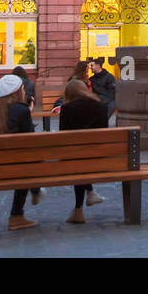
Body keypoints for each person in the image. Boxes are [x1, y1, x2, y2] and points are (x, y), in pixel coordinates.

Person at [0, 74, 42, 231]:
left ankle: (33, 193)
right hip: (15, 169)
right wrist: (28, 112)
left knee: (22, 161)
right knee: (28, 161)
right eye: (23, 89)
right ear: (17, 92)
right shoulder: (21, 110)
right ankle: (18, 213)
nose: (25, 92)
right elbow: (31, 140)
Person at [58, 79, 109, 223]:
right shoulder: (101, 106)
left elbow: (63, 137)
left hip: (74, 158)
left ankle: (79, 209)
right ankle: (89, 195)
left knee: (78, 159)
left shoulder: (67, 109)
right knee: (82, 158)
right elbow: (103, 133)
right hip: (99, 157)